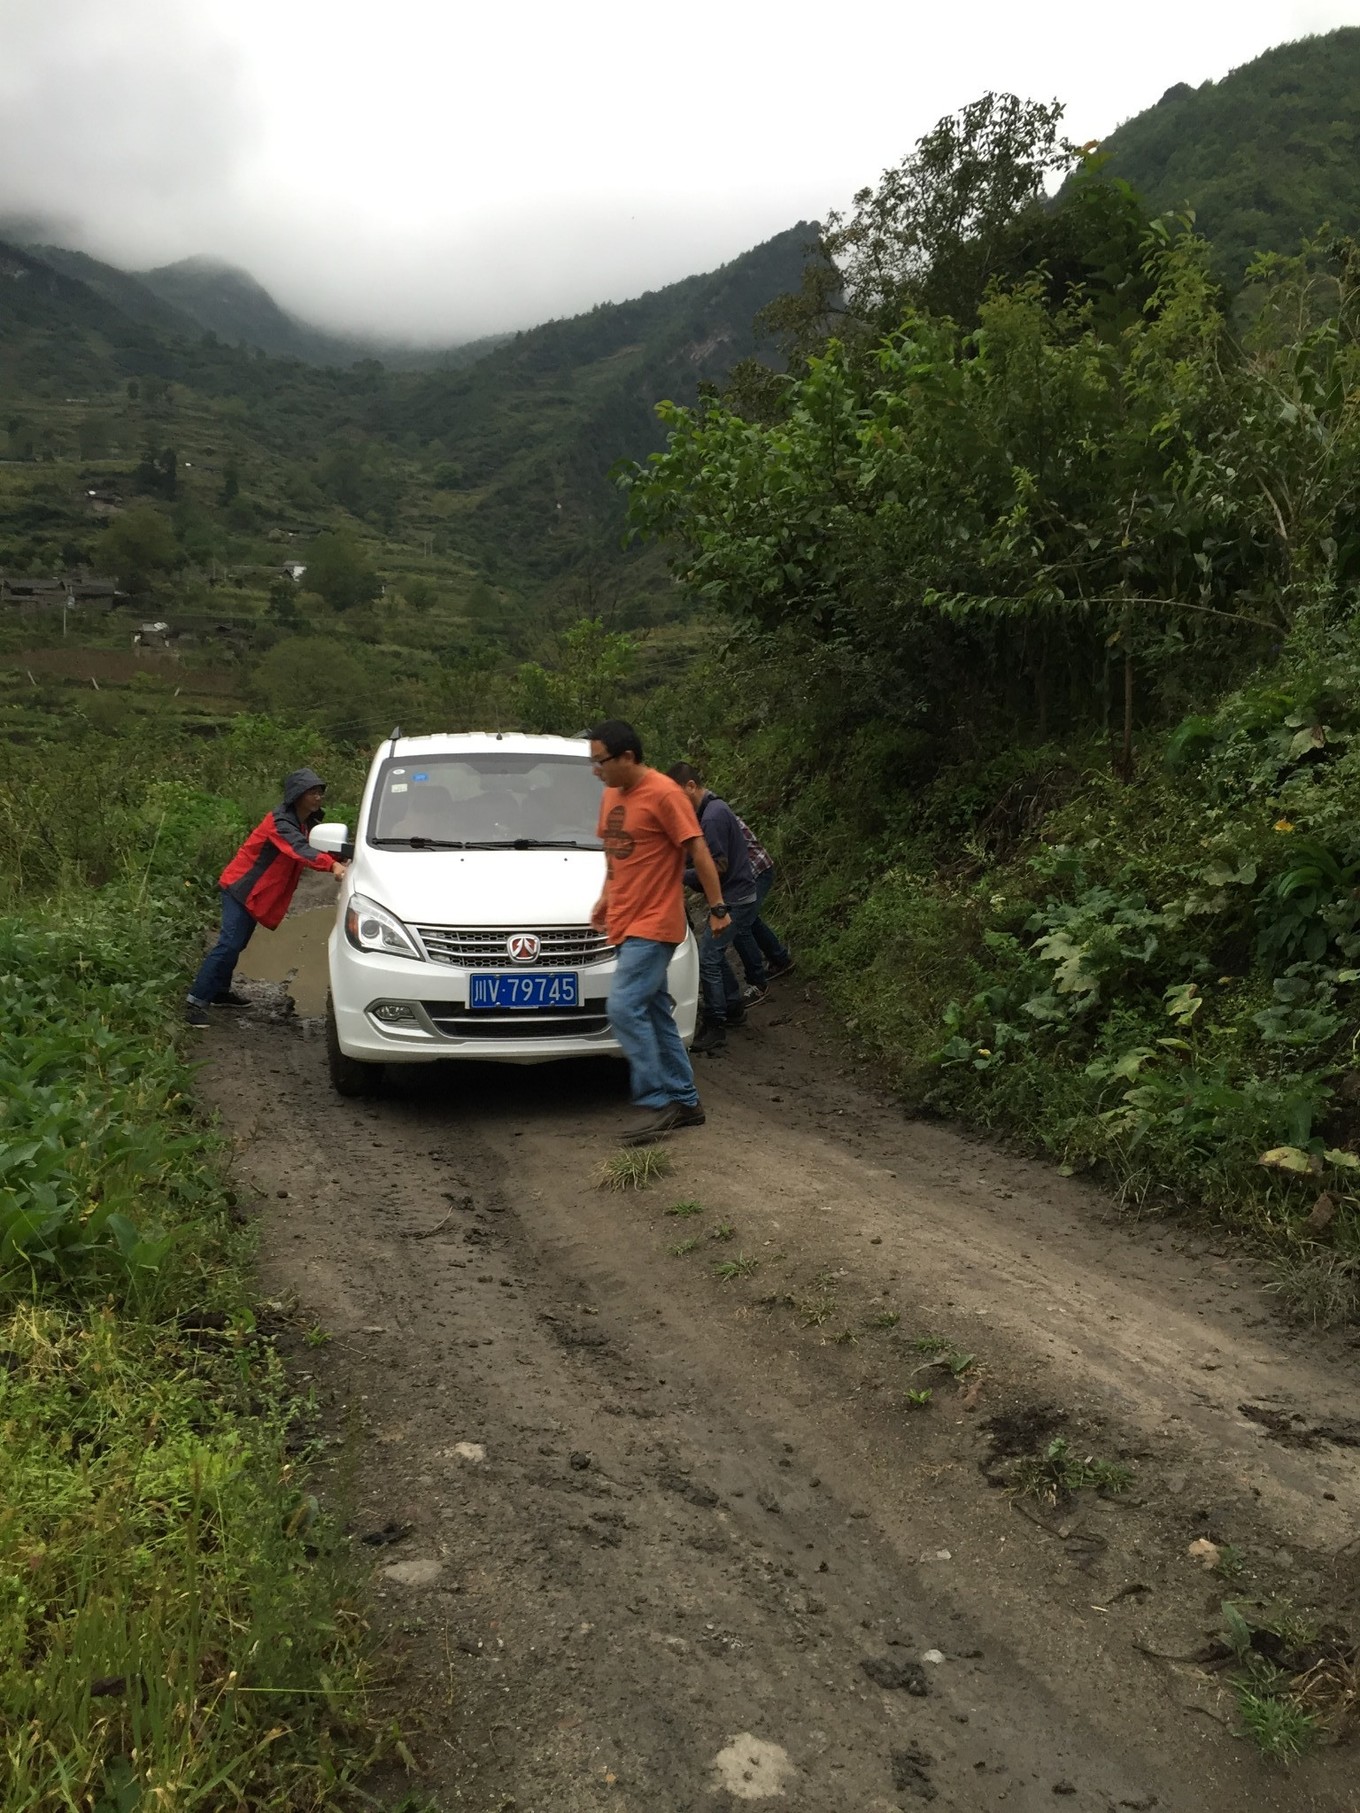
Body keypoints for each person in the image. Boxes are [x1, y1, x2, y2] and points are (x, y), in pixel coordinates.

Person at [589, 721, 731, 1144]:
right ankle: (686, 1102)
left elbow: (699, 850)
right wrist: (605, 895)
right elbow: (615, 854)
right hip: (625, 920)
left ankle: (655, 1098)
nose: (596, 771)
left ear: (627, 757)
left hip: (656, 923)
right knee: (653, 1013)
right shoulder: (611, 794)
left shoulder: (666, 794)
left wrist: (718, 906)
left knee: (623, 1006)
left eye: (601, 762)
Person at [185, 767, 347, 1026]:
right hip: (241, 888)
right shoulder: (280, 822)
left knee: (237, 944)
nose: (318, 797)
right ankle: (195, 1001)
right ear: (297, 795)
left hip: (256, 893)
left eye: (319, 792)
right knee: (228, 944)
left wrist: (343, 857)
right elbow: (298, 848)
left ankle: (219, 991)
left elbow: (316, 846)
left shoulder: (305, 824)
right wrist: (331, 866)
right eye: (312, 792)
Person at [666, 763, 761, 1055]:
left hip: (734, 896)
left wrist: (680, 875)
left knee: (707, 958)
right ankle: (732, 1006)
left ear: (691, 786)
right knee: (714, 955)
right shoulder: (711, 811)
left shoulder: (712, 818)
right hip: (737, 892)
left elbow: (718, 867)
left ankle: (715, 1023)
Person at [731, 810, 795, 1000]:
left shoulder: (710, 816)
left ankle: (757, 983)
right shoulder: (704, 812)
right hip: (750, 872)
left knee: (738, 926)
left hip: (755, 872)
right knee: (749, 919)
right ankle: (780, 959)